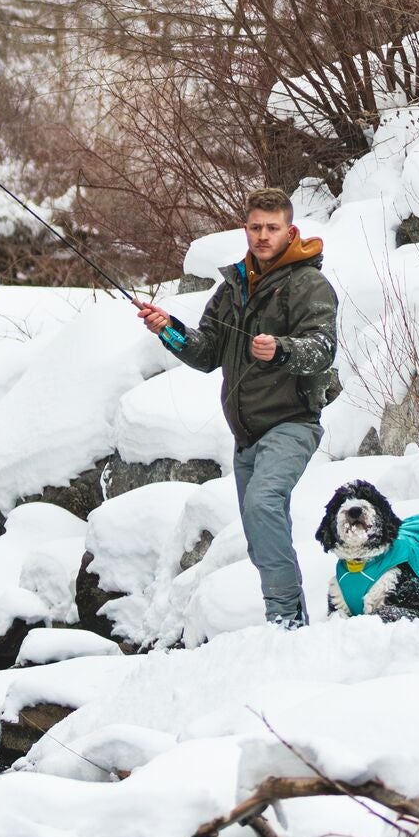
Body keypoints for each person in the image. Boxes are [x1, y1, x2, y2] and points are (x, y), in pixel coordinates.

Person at [138, 187, 338, 628]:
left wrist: (281, 349)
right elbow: (206, 353)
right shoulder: (233, 288)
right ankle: (289, 619)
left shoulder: (309, 285)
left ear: (291, 231)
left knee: (264, 505)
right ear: (245, 229)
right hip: (246, 435)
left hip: (292, 422)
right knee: (259, 531)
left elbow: (322, 349)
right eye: (255, 227)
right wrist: (167, 329)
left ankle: (286, 621)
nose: (263, 236)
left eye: (272, 228)